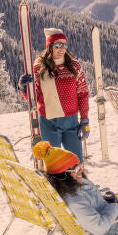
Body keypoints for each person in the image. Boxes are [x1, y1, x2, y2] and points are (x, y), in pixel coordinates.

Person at [18, 28, 90, 160]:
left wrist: (84, 119)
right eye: (58, 45)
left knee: (76, 161)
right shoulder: (38, 68)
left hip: (71, 122)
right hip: (48, 122)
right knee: (54, 163)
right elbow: (34, 97)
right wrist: (23, 89)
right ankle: (56, 181)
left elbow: (83, 93)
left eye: (64, 45)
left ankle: (77, 181)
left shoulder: (74, 66)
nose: (62, 48)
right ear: (50, 46)